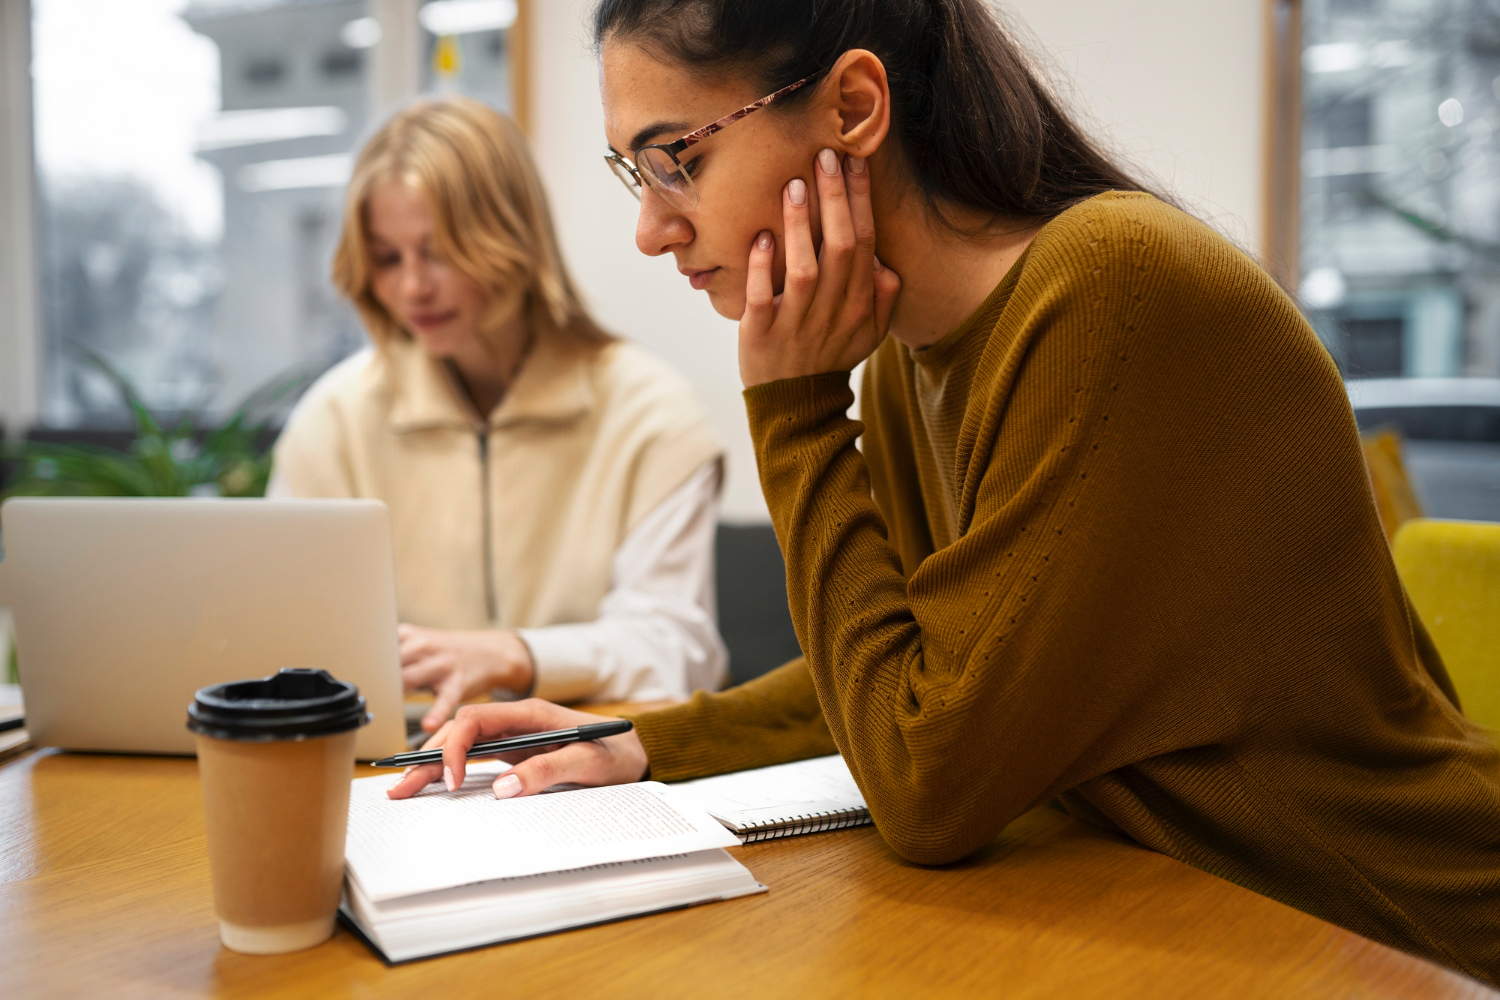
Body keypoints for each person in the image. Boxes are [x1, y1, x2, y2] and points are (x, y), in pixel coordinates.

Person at [387, 1, 1500, 985]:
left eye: (677, 156)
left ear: (853, 107)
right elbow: (915, 676)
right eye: (639, 175)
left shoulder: (1104, 290)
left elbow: (928, 782)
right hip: (1196, 917)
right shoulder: (915, 360)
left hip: (1396, 936)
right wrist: (638, 742)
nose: (651, 228)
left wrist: (796, 414)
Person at [271, 97, 728, 730]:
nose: (413, 288)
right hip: (393, 771)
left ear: (512, 238)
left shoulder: (650, 416)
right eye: (386, 258)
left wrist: (515, 655)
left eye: (440, 251)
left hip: (583, 768)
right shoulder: (332, 422)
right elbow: (279, 648)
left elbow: (677, 656)